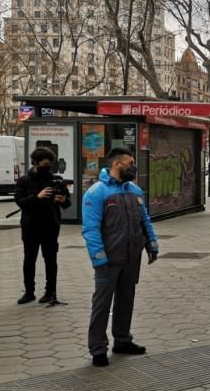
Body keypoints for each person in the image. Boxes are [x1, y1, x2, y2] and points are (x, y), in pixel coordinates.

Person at [82, 148, 159, 367]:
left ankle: (122, 340)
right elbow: (91, 229)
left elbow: (145, 220)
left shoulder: (134, 190)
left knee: (126, 299)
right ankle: (98, 348)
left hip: (131, 256)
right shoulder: (97, 192)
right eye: (130, 162)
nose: (133, 166)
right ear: (117, 164)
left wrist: (151, 244)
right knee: (102, 304)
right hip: (108, 259)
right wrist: (98, 257)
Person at [15, 147, 70, 305]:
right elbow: (20, 202)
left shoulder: (56, 179)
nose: (48, 167)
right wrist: (36, 197)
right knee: (29, 259)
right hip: (30, 226)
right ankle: (29, 292)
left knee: (50, 259)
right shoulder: (24, 181)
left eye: (49, 164)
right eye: (44, 164)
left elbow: (67, 203)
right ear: (35, 163)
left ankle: (50, 291)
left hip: (50, 225)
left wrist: (62, 200)